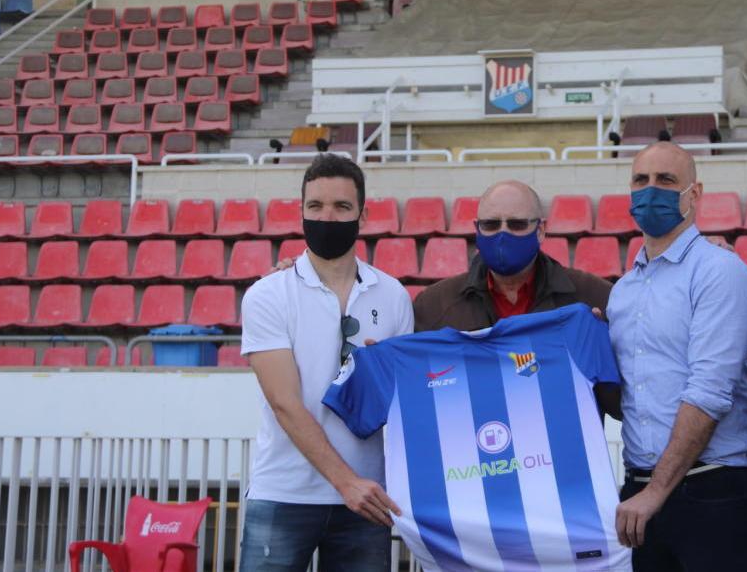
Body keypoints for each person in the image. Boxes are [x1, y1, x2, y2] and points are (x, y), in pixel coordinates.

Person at [238, 154, 414, 572]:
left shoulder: (393, 296)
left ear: (363, 215)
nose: (327, 217)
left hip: (366, 500)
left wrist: (382, 376)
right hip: (285, 491)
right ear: (300, 212)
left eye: (341, 207)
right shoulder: (267, 295)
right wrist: (346, 482)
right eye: (315, 207)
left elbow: (405, 405)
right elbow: (285, 402)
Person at [606, 141, 747, 571]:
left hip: (712, 491)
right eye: (640, 180)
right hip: (641, 492)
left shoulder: (719, 271)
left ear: (693, 195)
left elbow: (709, 391)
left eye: (666, 180)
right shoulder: (623, 292)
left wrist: (657, 491)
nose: (650, 190)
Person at [412, 179, 612, 332]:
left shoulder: (595, 297)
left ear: (541, 230)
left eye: (517, 224)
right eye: (491, 225)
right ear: (477, 229)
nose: (503, 234)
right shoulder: (433, 306)